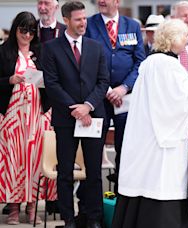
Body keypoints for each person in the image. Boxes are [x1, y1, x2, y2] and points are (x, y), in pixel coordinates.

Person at [113, 19, 188, 228]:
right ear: (172, 39)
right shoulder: (167, 65)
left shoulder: (150, 62)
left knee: (143, 183)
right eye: (184, 35)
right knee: (161, 182)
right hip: (162, 141)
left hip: (146, 136)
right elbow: (185, 94)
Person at [42, 1, 110, 228]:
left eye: (84, 18)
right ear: (67, 20)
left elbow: (103, 82)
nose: (83, 23)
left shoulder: (96, 46)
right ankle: (68, 219)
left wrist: (88, 106)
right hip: (65, 119)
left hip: (93, 117)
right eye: (78, 19)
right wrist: (75, 109)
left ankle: (93, 218)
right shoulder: (51, 48)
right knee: (65, 173)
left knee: (94, 173)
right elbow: (52, 84)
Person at [86, 0, 145, 192]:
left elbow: (140, 62)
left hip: (125, 100)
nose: (101, 1)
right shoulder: (89, 24)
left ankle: (122, 199)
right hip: (98, 98)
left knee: (125, 149)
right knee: (93, 151)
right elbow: (86, 61)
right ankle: (92, 208)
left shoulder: (132, 26)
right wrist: (107, 88)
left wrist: (124, 87)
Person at [0, 11, 50, 225]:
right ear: (15, 29)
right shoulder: (4, 51)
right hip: (12, 115)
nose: (27, 35)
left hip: (36, 114)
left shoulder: (40, 52)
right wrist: (10, 79)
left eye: (31, 31)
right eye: (23, 30)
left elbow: (52, 80)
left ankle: (32, 208)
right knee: (13, 160)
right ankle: (13, 208)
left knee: (34, 160)